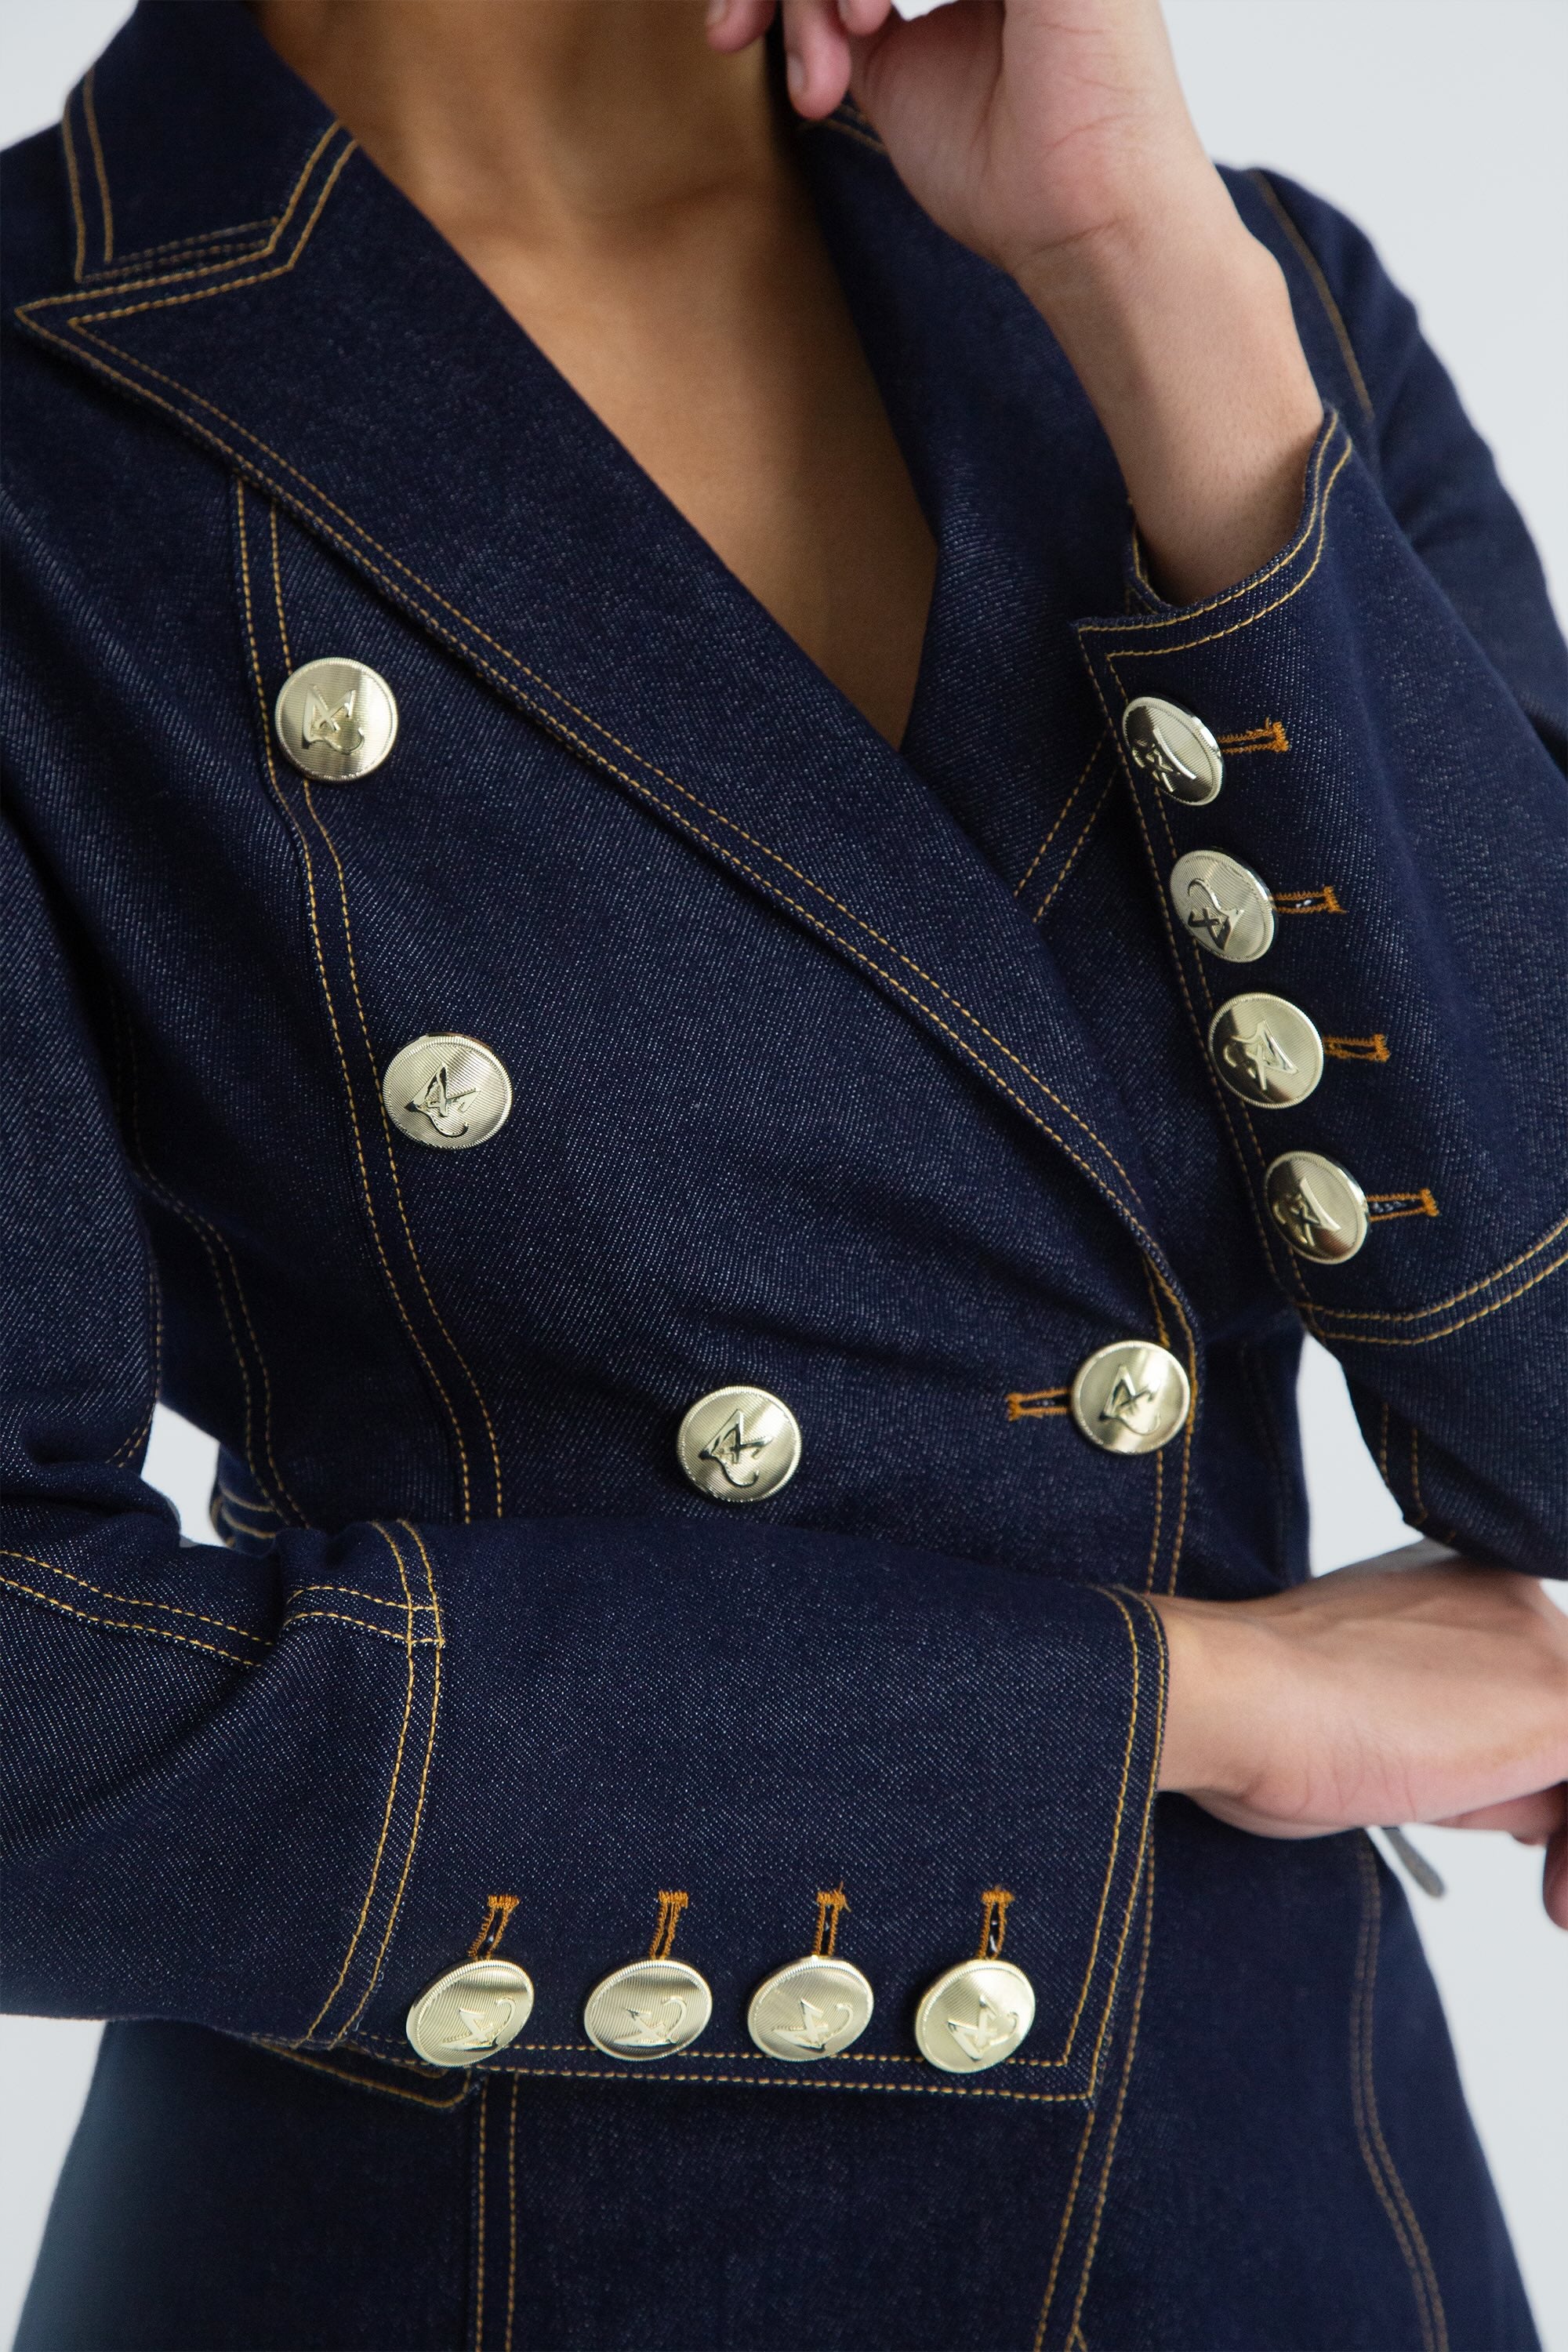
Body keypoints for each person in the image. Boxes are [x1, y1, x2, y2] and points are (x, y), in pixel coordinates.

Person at [3, 0, 1564, 2343]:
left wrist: (1142, 262)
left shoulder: (1238, 290)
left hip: (1276, 2219)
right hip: (484, 2263)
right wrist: (1178, 1704)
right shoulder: (46, 412)